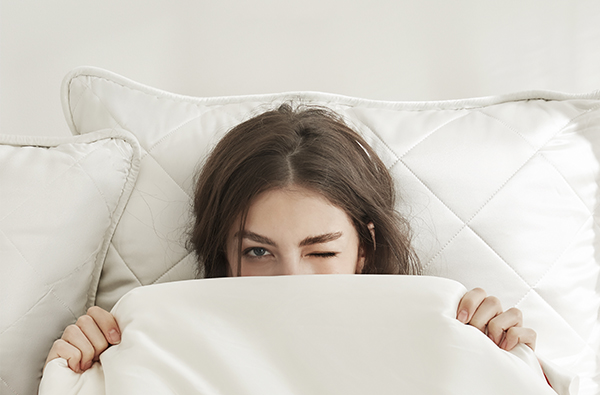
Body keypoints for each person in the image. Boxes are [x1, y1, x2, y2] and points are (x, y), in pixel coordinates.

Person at [45, 104, 536, 373]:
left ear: (363, 248)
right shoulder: (162, 347)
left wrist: (513, 367)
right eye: (259, 251)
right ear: (224, 252)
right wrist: (76, 377)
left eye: (320, 251)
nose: (290, 279)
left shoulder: (442, 337)